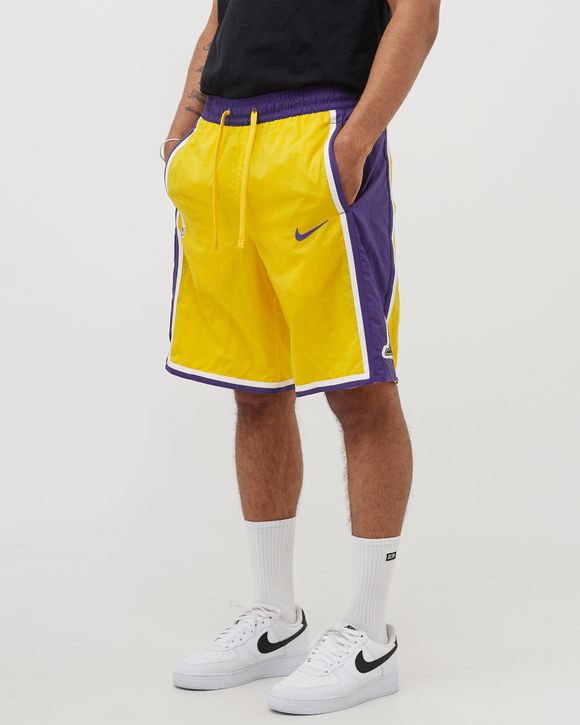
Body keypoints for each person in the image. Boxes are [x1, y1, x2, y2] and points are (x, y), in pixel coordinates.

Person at [161, 0, 439, 715]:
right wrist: (183, 127)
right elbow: (221, 15)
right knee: (254, 389)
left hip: (320, 133)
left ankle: (368, 634)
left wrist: (354, 142)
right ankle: (274, 619)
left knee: (361, 389)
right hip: (223, 143)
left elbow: (416, 14)